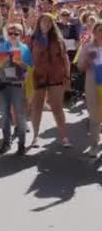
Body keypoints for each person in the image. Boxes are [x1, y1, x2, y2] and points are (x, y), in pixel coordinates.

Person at [30, 13, 71, 148]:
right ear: (39, 23)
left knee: (57, 108)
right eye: (43, 21)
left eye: (48, 21)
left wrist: (67, 76)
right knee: (37, 107)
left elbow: (65, 59)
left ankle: (64, 137)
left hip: (56, 76)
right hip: (38, 76)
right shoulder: (32, 39)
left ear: (52, 24)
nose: (46, 24)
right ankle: (35, 137)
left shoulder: (59, 39)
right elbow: (27, 58)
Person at [0, 24, 30, 155]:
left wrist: (21, 63)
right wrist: (0, 64)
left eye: (16, 34)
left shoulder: (24, 49)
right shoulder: (2, 47)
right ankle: (6, 142)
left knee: (20, 115)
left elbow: (30, 68)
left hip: (17, 85)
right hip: (4, 85)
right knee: (4, 116)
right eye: (11, 33)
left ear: (21, 35)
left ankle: (21, 144)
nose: (13, 36)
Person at [76, 21, 102, 158]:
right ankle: (94, 145)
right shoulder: (87, 47)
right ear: (94, 32)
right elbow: (80, 67)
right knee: (95, 116)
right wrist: (87, 61)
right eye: (99, 30)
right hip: (93, 85)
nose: (101, 33)